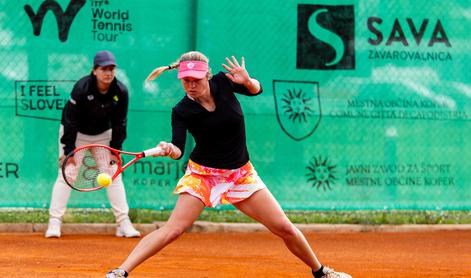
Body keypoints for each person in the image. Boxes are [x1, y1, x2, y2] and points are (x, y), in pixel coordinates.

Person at [106, 51, 351, 278]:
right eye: (186, 80)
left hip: (240, 174)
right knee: (173, 230)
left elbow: (256, 90)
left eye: (196, 79)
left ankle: (321, 272)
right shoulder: (181, 110)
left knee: (284, 227)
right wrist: (170, 149)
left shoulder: (224, 82)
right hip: (203, 175)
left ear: (207, 75)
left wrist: (247, 81)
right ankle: (121, 272)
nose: (191, 85)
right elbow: (178, 149)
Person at [45, 50, 140, 238]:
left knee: (113, 175)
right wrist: (68, 151)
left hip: (103, 135)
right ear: (94, 70)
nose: (108, 73)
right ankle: (54, 222)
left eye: (111, 69)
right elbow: (69, 120)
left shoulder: (121, 91)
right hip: (76, 134)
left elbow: (120, 122)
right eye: (104, 68)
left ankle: (123, 224)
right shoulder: (81, 88)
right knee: (68, 174)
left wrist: (116, 150)